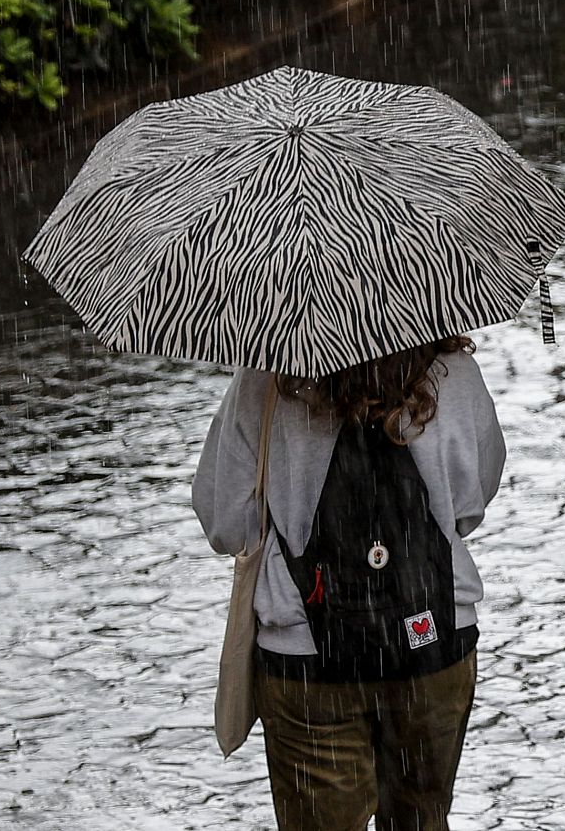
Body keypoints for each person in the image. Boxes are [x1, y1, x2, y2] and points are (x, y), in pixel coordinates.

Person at [192, 335, 505, 831]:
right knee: (421, 820)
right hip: (433, 640)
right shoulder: (453, 372)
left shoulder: (265, 381)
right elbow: (471, 504)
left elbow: (225, 522)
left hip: (307, 660)